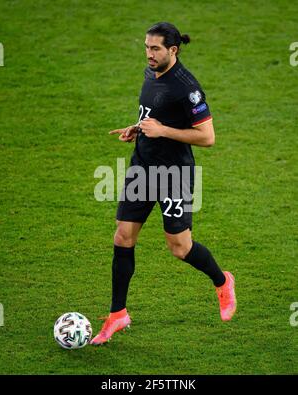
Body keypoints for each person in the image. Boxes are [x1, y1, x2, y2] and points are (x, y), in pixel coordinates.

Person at [91, 22, 236, 346]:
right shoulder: (150, 74)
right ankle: (118, 313)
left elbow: (208, 137)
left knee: (179, 247)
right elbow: (154, 117)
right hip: (142, 167)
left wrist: (163, 131)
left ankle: (222, 281)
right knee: (123, 235)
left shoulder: (187, 88)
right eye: (146, 47)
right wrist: (138, 128)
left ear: (173, 50)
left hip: (173, 174)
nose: (149, 54)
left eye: (155, 48)